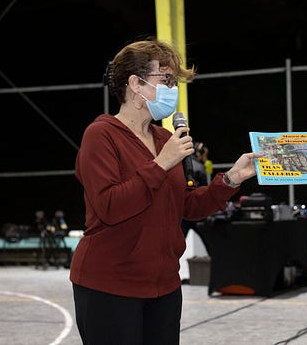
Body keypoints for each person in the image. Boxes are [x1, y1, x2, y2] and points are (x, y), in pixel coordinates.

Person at [69, 39, 260, 345]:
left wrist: (230, 180)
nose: (173, 89)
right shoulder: (101, 135)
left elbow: (186, 206)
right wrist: (160, 164)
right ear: (135, 84)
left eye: (174, 82)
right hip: (110, 285)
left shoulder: (164, 139)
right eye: (167, 80)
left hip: (164, 287)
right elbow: (109, 207)